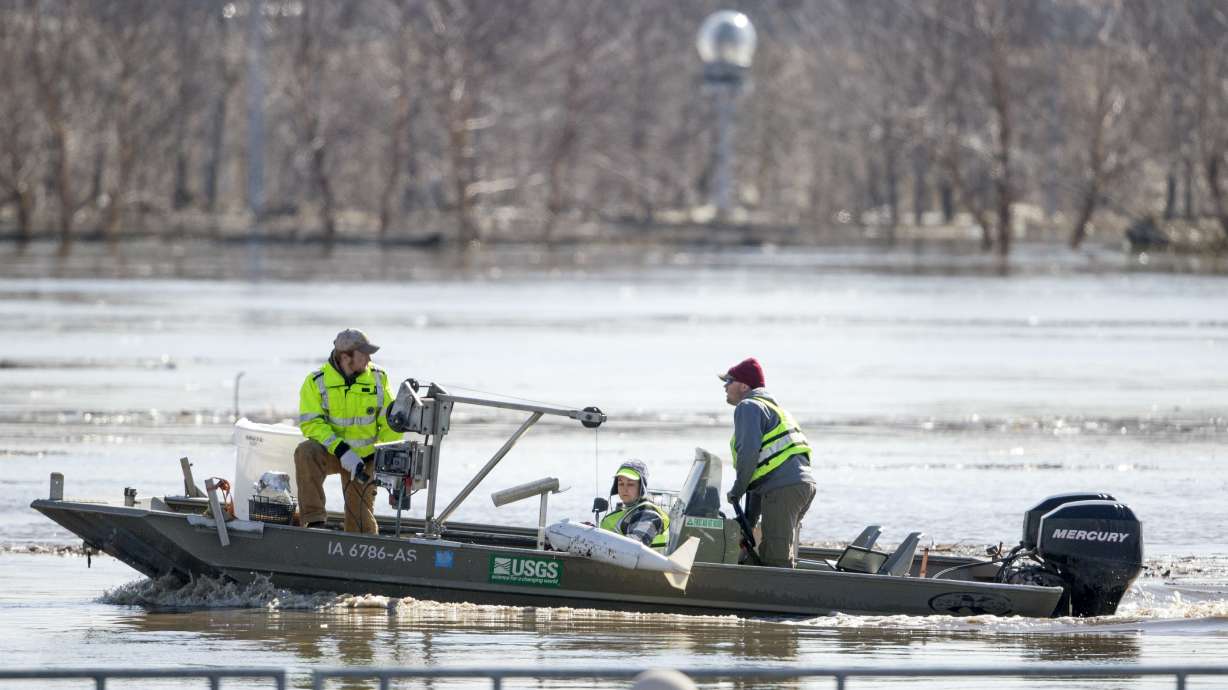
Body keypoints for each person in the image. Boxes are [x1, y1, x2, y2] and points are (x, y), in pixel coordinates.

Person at [295, 328, 402, 533]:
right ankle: (314, 522)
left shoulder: (379, 378)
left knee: (361, 526)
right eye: (364, 354)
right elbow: (311, 424)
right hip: (333, 453)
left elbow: (390, 423)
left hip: (365, 461)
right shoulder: (316, 382)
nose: (369, 359)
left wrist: (385, 462)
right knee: (305, 452)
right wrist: (342, 450)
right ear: (346, 357)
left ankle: (363, 550)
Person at [721, 357, 816, 568]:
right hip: (798, 487)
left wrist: (737, 490)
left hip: (782, 490)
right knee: (775, 548)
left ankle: (777, 597)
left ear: (744, 385)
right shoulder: (773, 409)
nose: (725, 387)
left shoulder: (748, 406)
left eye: (729, 381)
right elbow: (762, 472)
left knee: (775, 559)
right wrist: (748, 521)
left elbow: (749, 455)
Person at [600, 460, 670, 549]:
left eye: (630, 484)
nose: (624, 489)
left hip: (642, 563)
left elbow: (634, 546)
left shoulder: (649, 513)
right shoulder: (626, 510)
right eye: (621, 483)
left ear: (641, 488)